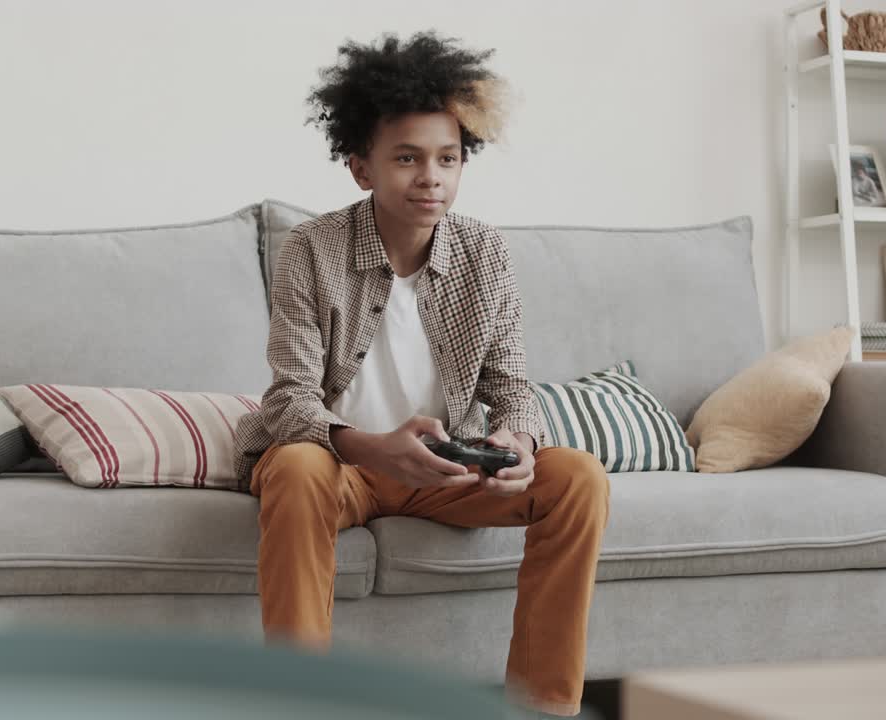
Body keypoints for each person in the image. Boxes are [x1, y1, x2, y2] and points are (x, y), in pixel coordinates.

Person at [231, 30, 610, 718]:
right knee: (291, 467)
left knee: (577, 476)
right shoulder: (311, 251)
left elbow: (514, 388)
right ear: (360, 166)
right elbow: (290, 398)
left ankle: (544, 707)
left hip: (447, 473)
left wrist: (520, 444)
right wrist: (374, 448)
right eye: (407, 158)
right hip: (339, 464)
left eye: (447, 158)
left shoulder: (485, 252)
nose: (430, 176)